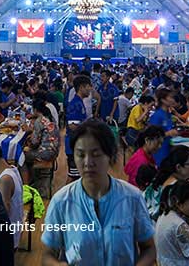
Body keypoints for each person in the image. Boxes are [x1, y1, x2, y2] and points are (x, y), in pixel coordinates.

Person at [42, 119, 155, 266]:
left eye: (96, 154)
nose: (88, 162)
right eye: (81, 155)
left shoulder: (132, 198)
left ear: (110, 155)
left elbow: (149, 248)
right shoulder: (61, 202)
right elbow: (47, 255)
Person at [64, 76, 93, 181]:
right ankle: (63, 197)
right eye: (88, 86)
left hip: (77, 145)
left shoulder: (79, 102)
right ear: (81, 87)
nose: (90, 89)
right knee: (73, 177)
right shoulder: (75, 104)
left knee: (76, 176)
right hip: (73, 146)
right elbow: (72, 126)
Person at [22, 98, 59, 173]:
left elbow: (34, 143)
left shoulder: (39, 121)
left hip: (45, 153)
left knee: (21, 156)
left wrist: (28, 143)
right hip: (55, 151)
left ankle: (26, 183)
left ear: (35, 109)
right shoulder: (50, 118)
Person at [148, 87, 180, 165]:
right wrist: (168, 133)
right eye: (170, 97)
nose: (173, 100)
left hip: (168, 150)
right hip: (159, 153)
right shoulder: (157, 116)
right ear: (163, 100)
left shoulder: (168, 115)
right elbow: (152, 136)